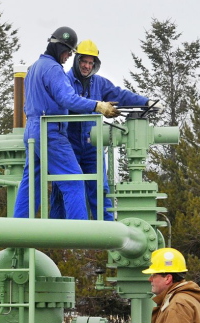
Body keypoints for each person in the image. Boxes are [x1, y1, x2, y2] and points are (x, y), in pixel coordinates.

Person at [12, 26, 120, 220]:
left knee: (31, 184)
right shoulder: (54, 69)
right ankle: (79, 244)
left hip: (32, 131)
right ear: (59, 47)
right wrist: (98, 106)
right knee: (74, 182)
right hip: (51, 131)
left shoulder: (35, 67)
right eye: (68, 51)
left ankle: (16, 236)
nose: (69, 56)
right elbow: (67, 99)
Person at [48, 40, 159, 220]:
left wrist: (146, 102)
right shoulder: (65, 81)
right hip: (69, 144)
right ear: (76, 61)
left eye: (91, 63)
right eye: (84, 61)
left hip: (93, 145)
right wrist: (96, 106)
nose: (87, 66)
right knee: (64, 188)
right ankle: (61, 239)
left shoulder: (99, 83)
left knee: (100, 188)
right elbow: (67, 101)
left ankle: (106, 235)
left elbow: (120, 95)